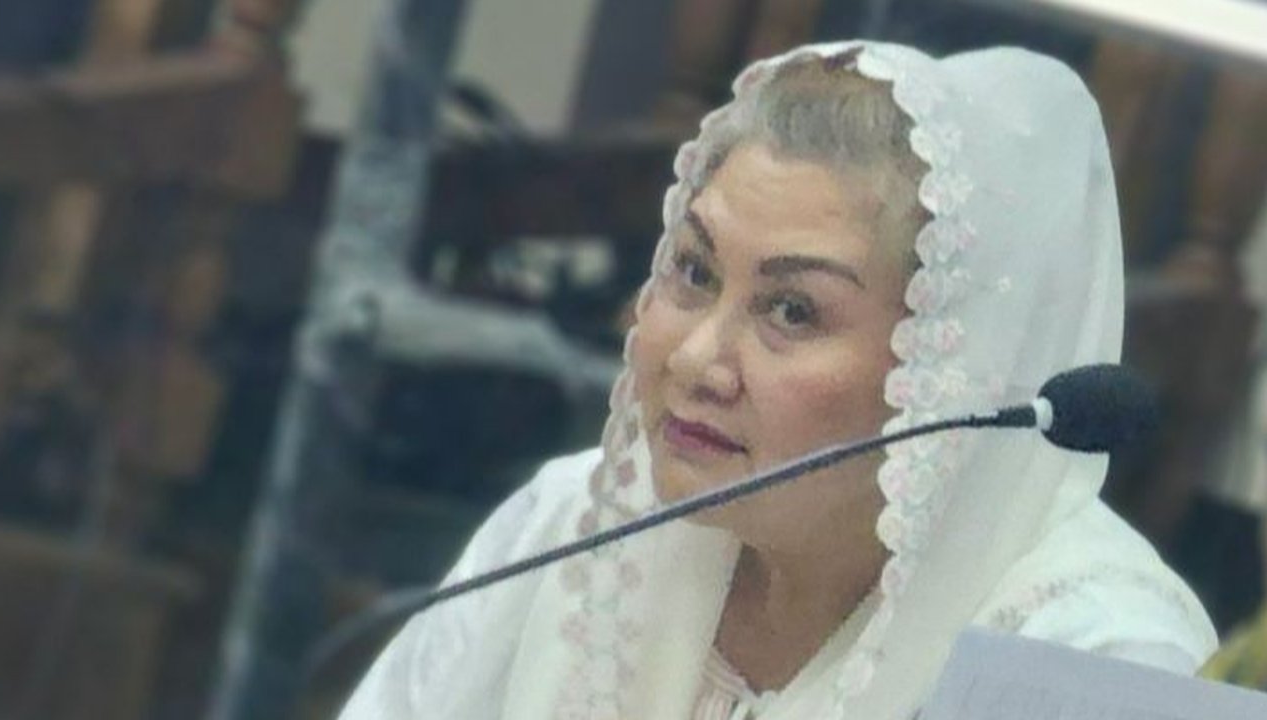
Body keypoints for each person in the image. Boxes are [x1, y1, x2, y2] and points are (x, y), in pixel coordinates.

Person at [338, 40, 1217, 719]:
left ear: (950, 375)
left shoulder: (1093, 654)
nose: (696, 360)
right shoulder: (572, 527)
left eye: (792, 311)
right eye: (694, 272)